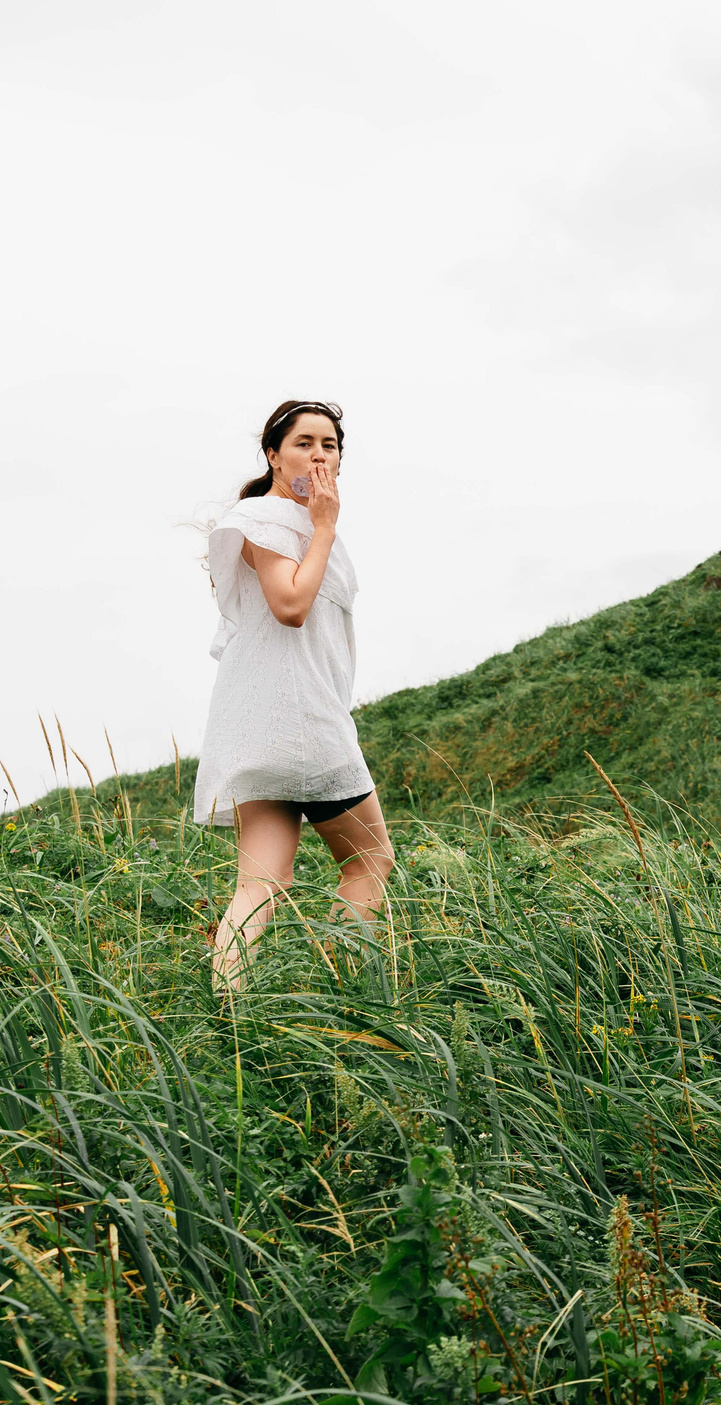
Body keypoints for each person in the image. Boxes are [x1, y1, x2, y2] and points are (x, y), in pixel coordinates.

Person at [193, 399, 395, 988]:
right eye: (304, 442)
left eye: (330, 445)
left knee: (260, 885)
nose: (319, 454)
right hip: (301, 718)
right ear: (273, 454)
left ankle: (228, 1015)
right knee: (369, 861)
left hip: (259, 724)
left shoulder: (295, 526)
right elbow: (289, 607)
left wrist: (321, 527)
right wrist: (326, 525)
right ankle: (344, 991)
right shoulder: (266, 521)